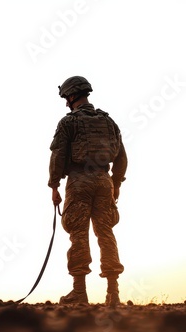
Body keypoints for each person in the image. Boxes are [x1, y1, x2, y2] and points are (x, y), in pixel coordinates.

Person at [48, 76, 127, 306]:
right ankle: (113, 294)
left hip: (79, 181)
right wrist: (117, 183)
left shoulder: (67, 122)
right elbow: (121, 157)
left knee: (78, 234)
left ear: (72, 95)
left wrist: (54, 186)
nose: (66, 104)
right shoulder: (109, 122)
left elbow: (58, 156)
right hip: (104, 181)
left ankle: (79, 293)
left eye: (66, 98)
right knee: (106, 233)